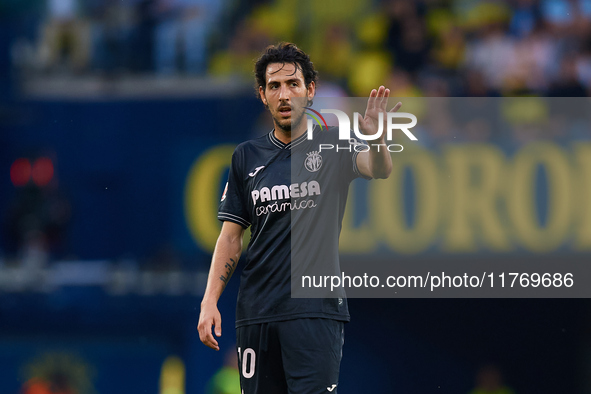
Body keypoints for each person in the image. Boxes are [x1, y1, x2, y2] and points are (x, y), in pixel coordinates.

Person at [198, 42, 401, 393]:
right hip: (256, 314)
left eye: (293, 84)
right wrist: (209, 300)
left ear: (310, 90)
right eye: (274, 86)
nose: (284, 94)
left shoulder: (334, 145)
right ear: (263, 95)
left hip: (315, 311)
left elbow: (379, 168)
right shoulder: (246, 157)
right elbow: (231, 236)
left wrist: (377, 140)